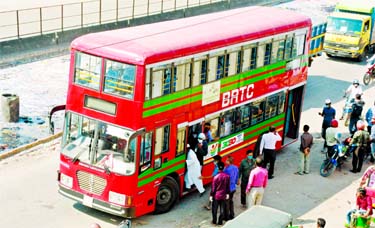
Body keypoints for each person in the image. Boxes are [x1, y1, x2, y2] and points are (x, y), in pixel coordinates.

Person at [210, 161, 230, 226]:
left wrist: (211, 195)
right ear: (224, 168)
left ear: (217, 168)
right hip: (223, 195)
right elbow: (227, 186)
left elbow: (213, 188)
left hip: (216, 196)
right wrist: (227, 194)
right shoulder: (227, 176)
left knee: (214, 209)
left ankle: (214, 221)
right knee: (222, 209)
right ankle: (220, 222)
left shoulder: (215, 177)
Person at [223, 156, 239, 220]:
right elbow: (237, 177)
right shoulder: (236, 168)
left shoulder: (227, 169)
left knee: (226, 203)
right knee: (231, 201)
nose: (225, 161)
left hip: (228, 189)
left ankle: (226, 217)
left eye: (227, 160)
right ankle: (232, 215)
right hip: (233, 188)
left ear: (229, 162)